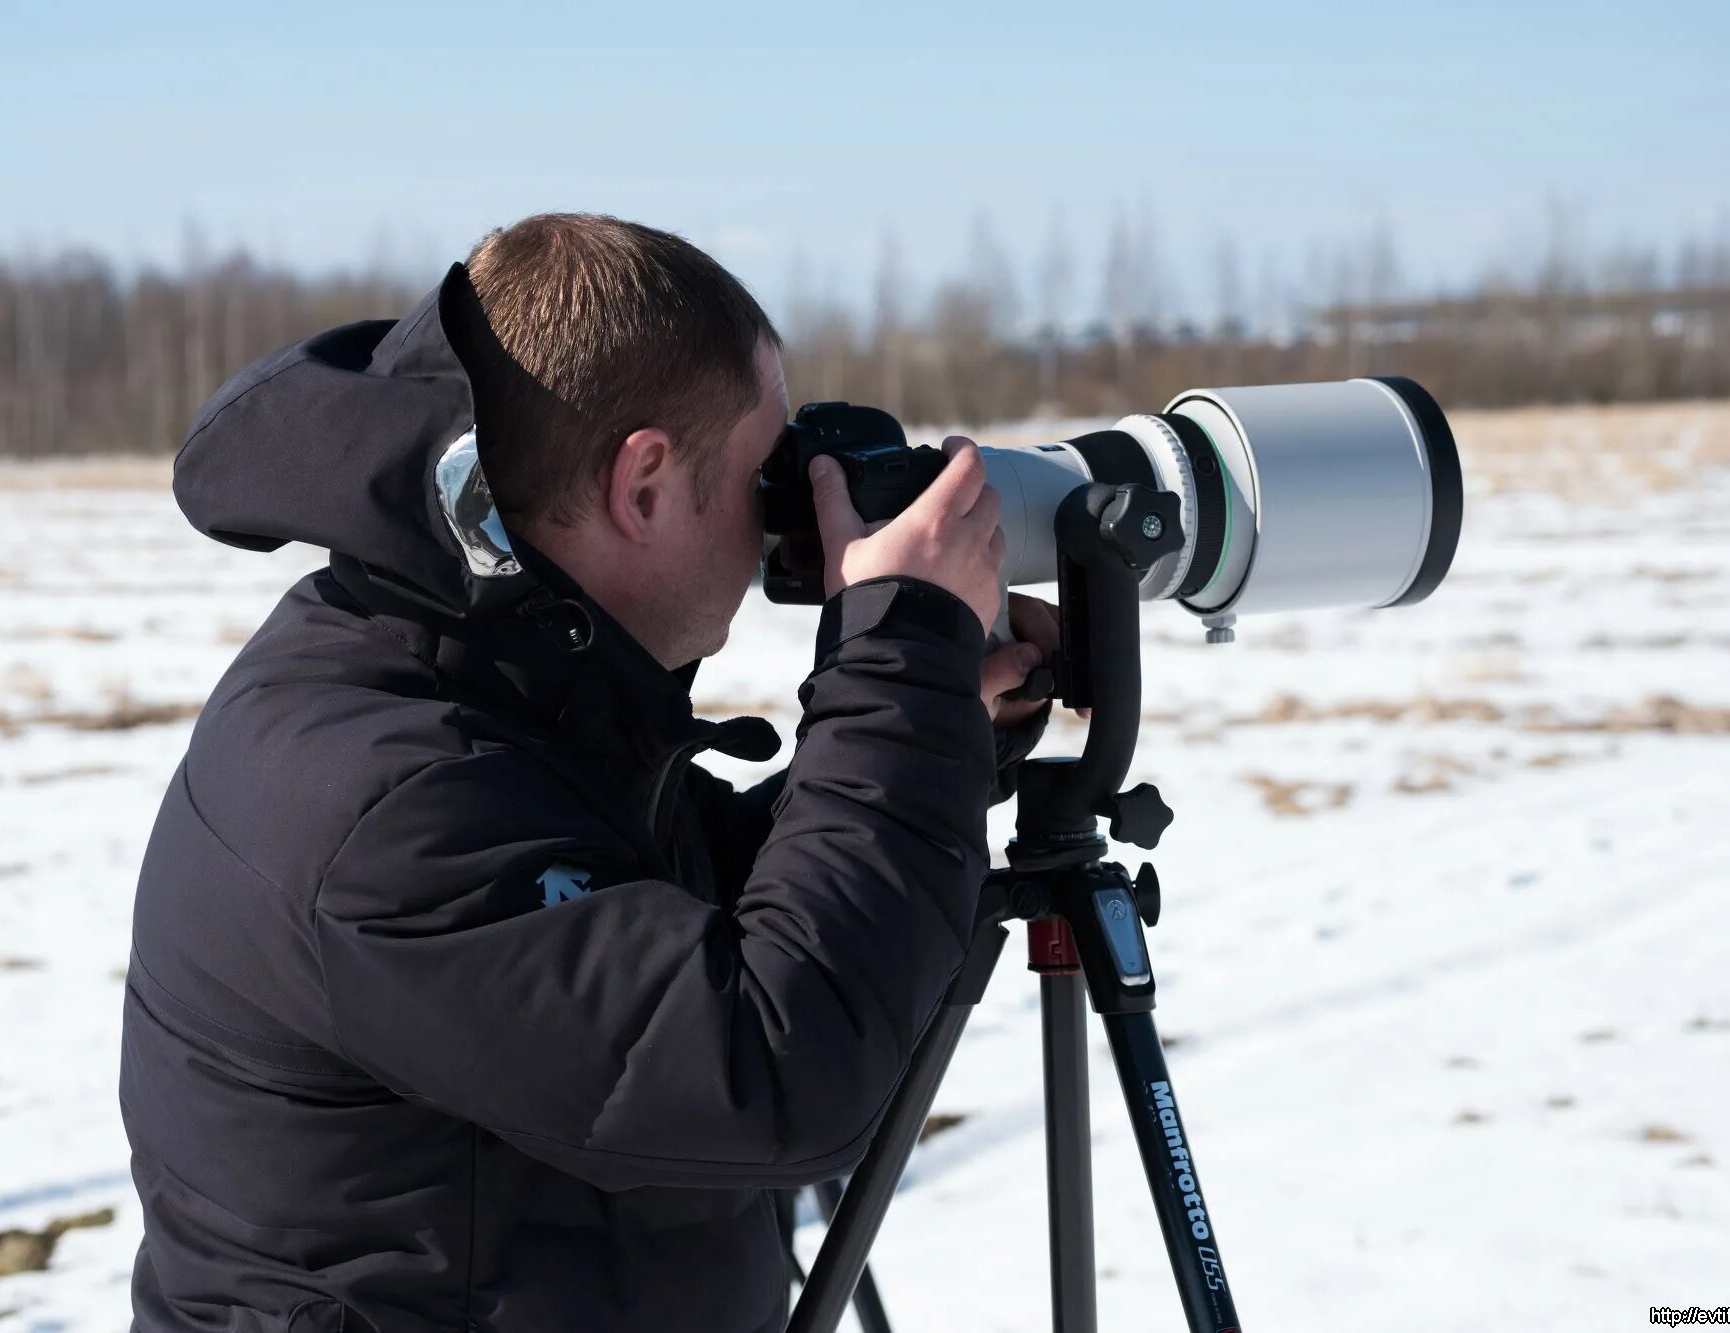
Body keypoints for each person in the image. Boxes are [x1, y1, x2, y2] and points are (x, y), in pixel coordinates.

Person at [121, 213, 1056, 1333]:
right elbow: (771, 1069)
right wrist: (896, 682)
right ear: (644, 482)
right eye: (765, 473)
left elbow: (665, 936)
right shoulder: (383, 802)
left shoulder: (486, 662)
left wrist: (931, 721)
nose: (783, 524)